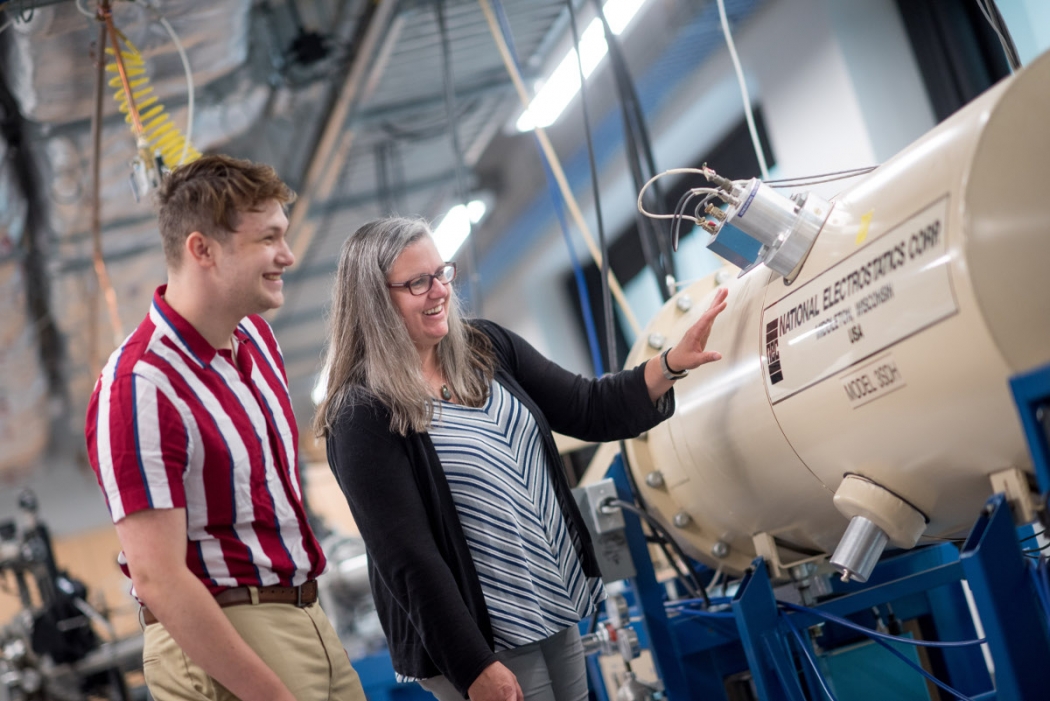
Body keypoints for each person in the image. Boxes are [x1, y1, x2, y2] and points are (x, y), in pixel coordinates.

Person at [313, 217, 728, 701]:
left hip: (549, 599)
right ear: (374, 301)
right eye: (417, 283)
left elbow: (588, 408)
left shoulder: (486, 348)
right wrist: (473, 665)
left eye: (441, 273)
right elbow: (407, 558)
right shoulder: (362, 412)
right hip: (479, 633)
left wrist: (671, 362)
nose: (438, 291)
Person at [84, 155, 366, 701]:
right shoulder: (139, 385)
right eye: (268, 238)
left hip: (308, 614)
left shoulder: (257, 341)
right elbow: (158, 579)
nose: (287, 255)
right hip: (226, 637)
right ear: (202, 250)